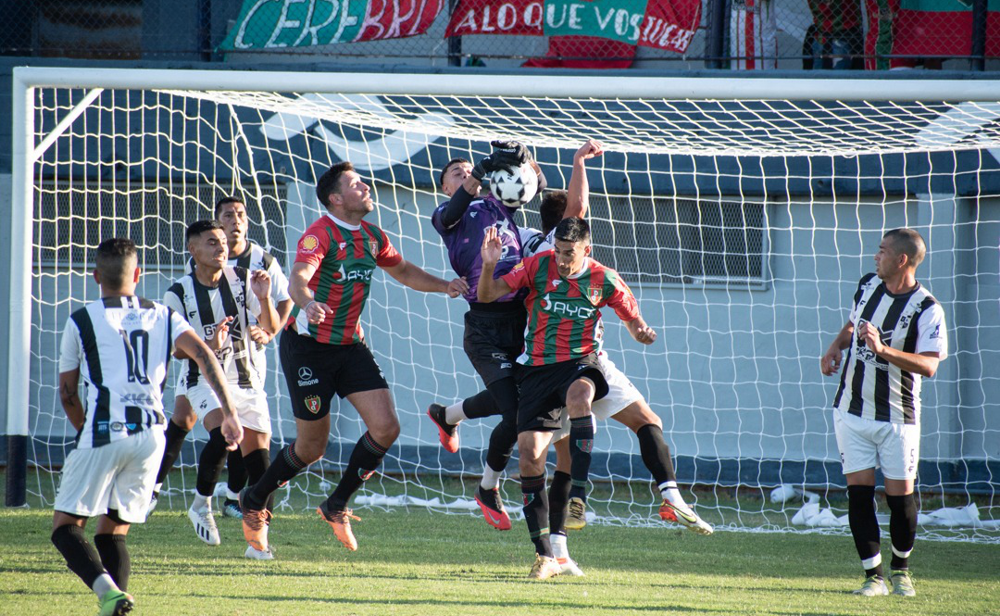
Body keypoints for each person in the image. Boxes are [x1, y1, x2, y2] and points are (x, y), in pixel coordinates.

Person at [239, 161, 467, 554]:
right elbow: (297, 278)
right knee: (312, 449)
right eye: (355, 184)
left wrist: (445, 285)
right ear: (335, 198)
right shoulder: (320, 234)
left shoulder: (373, 236)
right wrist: (307, 303)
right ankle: (254, 499)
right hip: (308, 349)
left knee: (387, 427)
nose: (365, 187)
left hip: (350, 346)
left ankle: (337, 503)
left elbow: (406, 271)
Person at [52, 238, 241, 616]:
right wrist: (230, 412)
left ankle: (107, 591)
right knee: (113, 530)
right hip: (152, 436)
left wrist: (84, 431)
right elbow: (204, 354)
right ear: (138, 275)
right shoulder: (163, 315)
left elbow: (69, 392)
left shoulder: (82, 319)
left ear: (95, 277)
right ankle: (117, 604)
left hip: (104, 429)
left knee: (66, 527)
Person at [425, 140, 593, 531]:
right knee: (515, 411)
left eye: (468, 169)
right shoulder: (448, 216)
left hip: (520, 323)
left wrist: (523, 160)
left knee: (519, 404)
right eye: (456, 173)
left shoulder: (506, 211)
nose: (464, 174)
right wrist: (481, 169)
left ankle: (447, 415)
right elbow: (454, 208)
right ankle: (487, 487)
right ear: (446, 188)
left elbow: (539, 187)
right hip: (483, 326)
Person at [478, 217, 657, 579]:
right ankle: (545, 556)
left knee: (583, 398)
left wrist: (641, 331)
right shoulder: (537, 266)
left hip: (581, 362)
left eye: (569, 252)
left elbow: (633, 319)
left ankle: (579, 494)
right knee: (529, 456)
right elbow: (487, 294)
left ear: (586, 249)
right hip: (537, 370)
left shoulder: (604, 278)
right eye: (558, 251)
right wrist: (488, 265)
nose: (561, 258)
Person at [821, 228, 947, 597]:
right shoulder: (867, 285)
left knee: (899, 498)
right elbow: (853, 323)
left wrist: (883, 350)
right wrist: (835, 345)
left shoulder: (927, 308)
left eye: (882, 251)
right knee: (858, 494)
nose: (876, 257)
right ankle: (872, 576)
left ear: (902, 260)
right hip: (850, 409)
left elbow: (929, 366)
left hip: (898, 416)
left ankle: (901, 572)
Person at [151, 197, 292, 521]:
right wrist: (208, 344)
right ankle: (193, 501)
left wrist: (264, 306)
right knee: (215, 432)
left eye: (223, 242)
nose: (222, 246)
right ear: (193, 250)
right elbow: (175, 349)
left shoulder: (251, 272)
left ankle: (253, 530)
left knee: (259, 461)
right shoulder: (180, 290)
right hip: (203, 377)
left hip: (247, 375)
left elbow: (274, 318)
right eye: (213, 240)